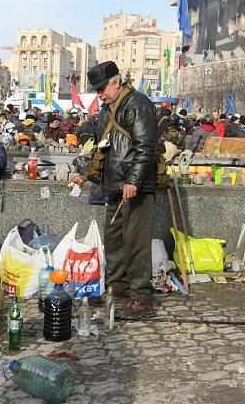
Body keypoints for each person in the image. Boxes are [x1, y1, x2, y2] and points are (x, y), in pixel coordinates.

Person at [84, 61, 157, 318]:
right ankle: (118, 289)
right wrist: (86, 174)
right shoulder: (107, 109)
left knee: (136, 242)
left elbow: (145, 146)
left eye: (102, 88)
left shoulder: (137, 104)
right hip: (114, 185)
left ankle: (141, 296)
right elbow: (103, 145)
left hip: (135, 186)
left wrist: (134, 181)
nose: (99, 93)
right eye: (97, 89)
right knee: (114, 240)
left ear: (116, 82)